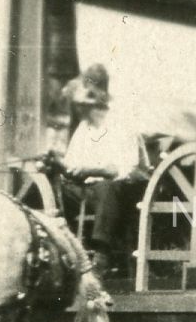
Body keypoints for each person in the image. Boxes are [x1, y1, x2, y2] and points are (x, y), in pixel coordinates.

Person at [59, 64, 146, 278]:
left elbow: (122, 170)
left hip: (122, 190)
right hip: (87, 191)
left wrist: (90, 169)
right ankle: (62, 250)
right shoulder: (84, 128)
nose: (80, 110)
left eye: (84, 105)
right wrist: (61, 167)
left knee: (107, 187)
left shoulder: (121, 124)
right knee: (56, 187)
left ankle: (101, 255)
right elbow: (70, 163)